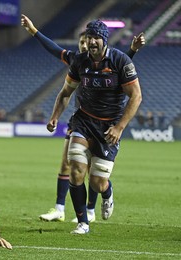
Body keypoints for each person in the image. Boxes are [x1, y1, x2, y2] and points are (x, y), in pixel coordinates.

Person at [21, 14, 145, 223]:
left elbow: (128, 82)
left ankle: (98, 201)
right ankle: (78, 218)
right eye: (86, 38)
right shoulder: (78, 60)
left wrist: (132, 50)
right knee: (73, 166)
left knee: (97, 181)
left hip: (108, 125)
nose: (87, 43)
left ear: (104, 40)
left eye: (94, 38)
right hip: (83, 120)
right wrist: (54, 117)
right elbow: (64, 90)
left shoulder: (117, 60)